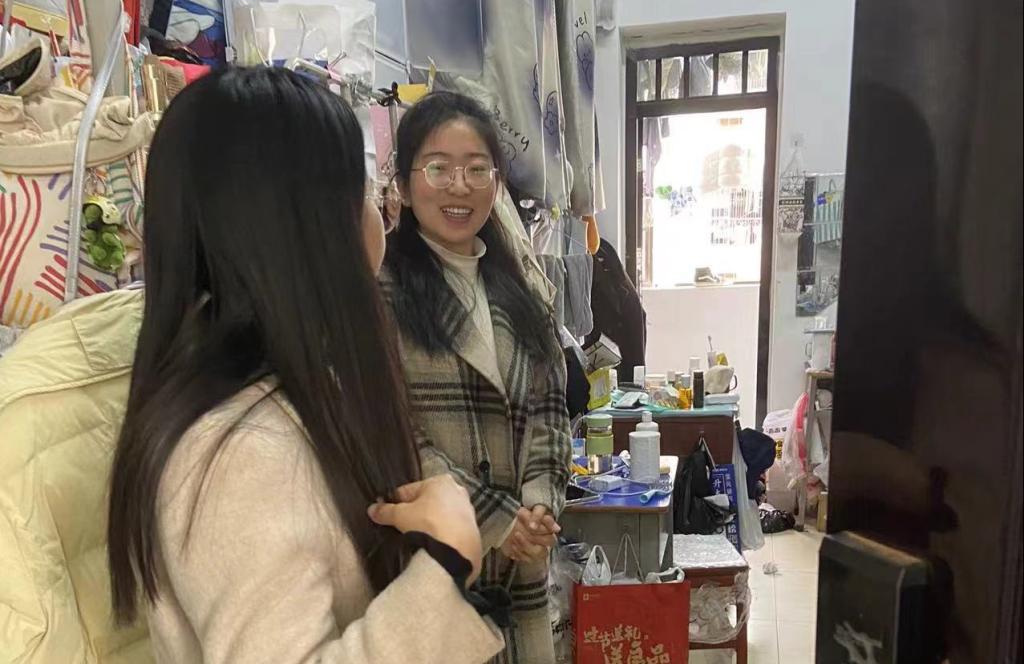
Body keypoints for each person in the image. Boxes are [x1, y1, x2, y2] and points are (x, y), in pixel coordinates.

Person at [106, 67, 505, 664]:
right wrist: (446, 563)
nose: (381, 216)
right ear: (302, 228)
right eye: (363, 194)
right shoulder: (235, 453)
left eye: (477, 170)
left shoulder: (288, 395)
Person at [381, 91, 572, 664]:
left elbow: (551, 412)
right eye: (438, 168)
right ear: (404, 184)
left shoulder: (521, 290)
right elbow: (391, 435)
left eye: (476, 169)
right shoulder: (378, 294)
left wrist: (538, 509)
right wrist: (496, 520)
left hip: (522, 568)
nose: (459, 186)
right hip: (434, 564)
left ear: (496, 182)